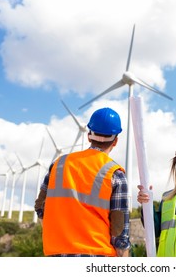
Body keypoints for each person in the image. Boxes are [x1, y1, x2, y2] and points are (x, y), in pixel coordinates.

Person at [34, 107, 130, 257]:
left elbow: (40, 207)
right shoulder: (115, 174)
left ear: (89, 135)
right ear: (116, 140)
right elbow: (119, 233)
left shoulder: (59, 164)